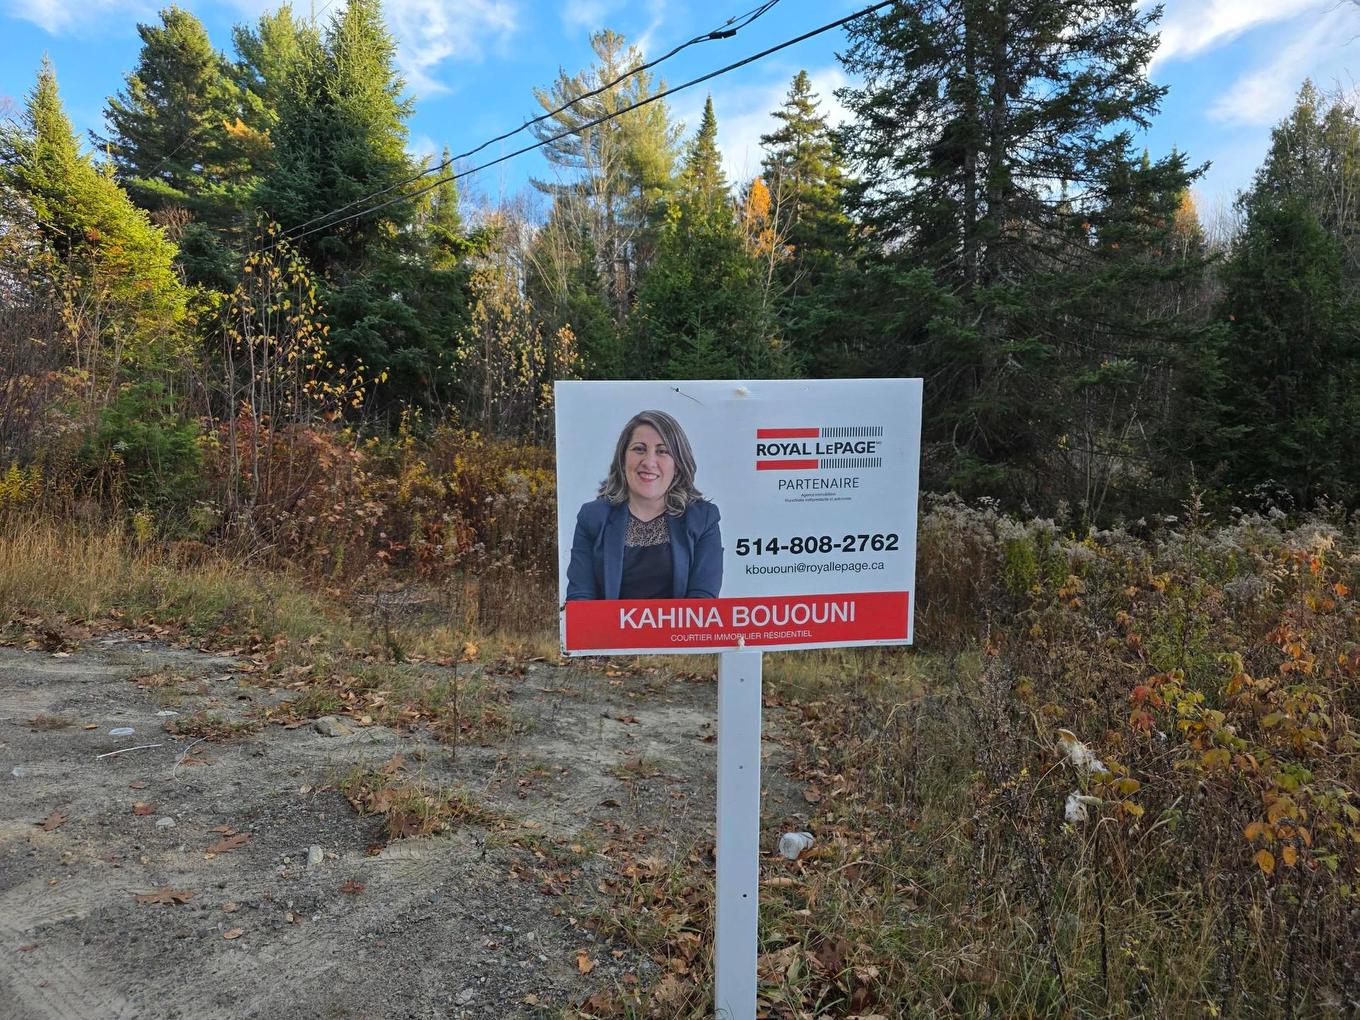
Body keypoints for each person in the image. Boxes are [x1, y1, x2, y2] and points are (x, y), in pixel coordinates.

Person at [565, 409, 722, 601]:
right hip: (608, 631)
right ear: (623, 458)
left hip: (677, 631)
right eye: (639, 449)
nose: (649, 462)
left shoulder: (703, 518)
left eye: (662, 451)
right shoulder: (592, 517)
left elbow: (702, 600)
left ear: (678, 464)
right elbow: (580, 597)